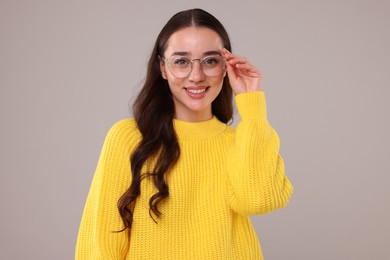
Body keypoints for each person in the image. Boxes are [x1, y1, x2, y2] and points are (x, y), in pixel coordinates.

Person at [76, 8, 293, 260]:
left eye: (210, 61)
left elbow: (259, 201)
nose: (196, 76)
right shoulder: (130, 137)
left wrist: (252, 106)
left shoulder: (242, 141)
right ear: (163, 68)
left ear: (226, 67)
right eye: (181, 61)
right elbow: (100, 243)